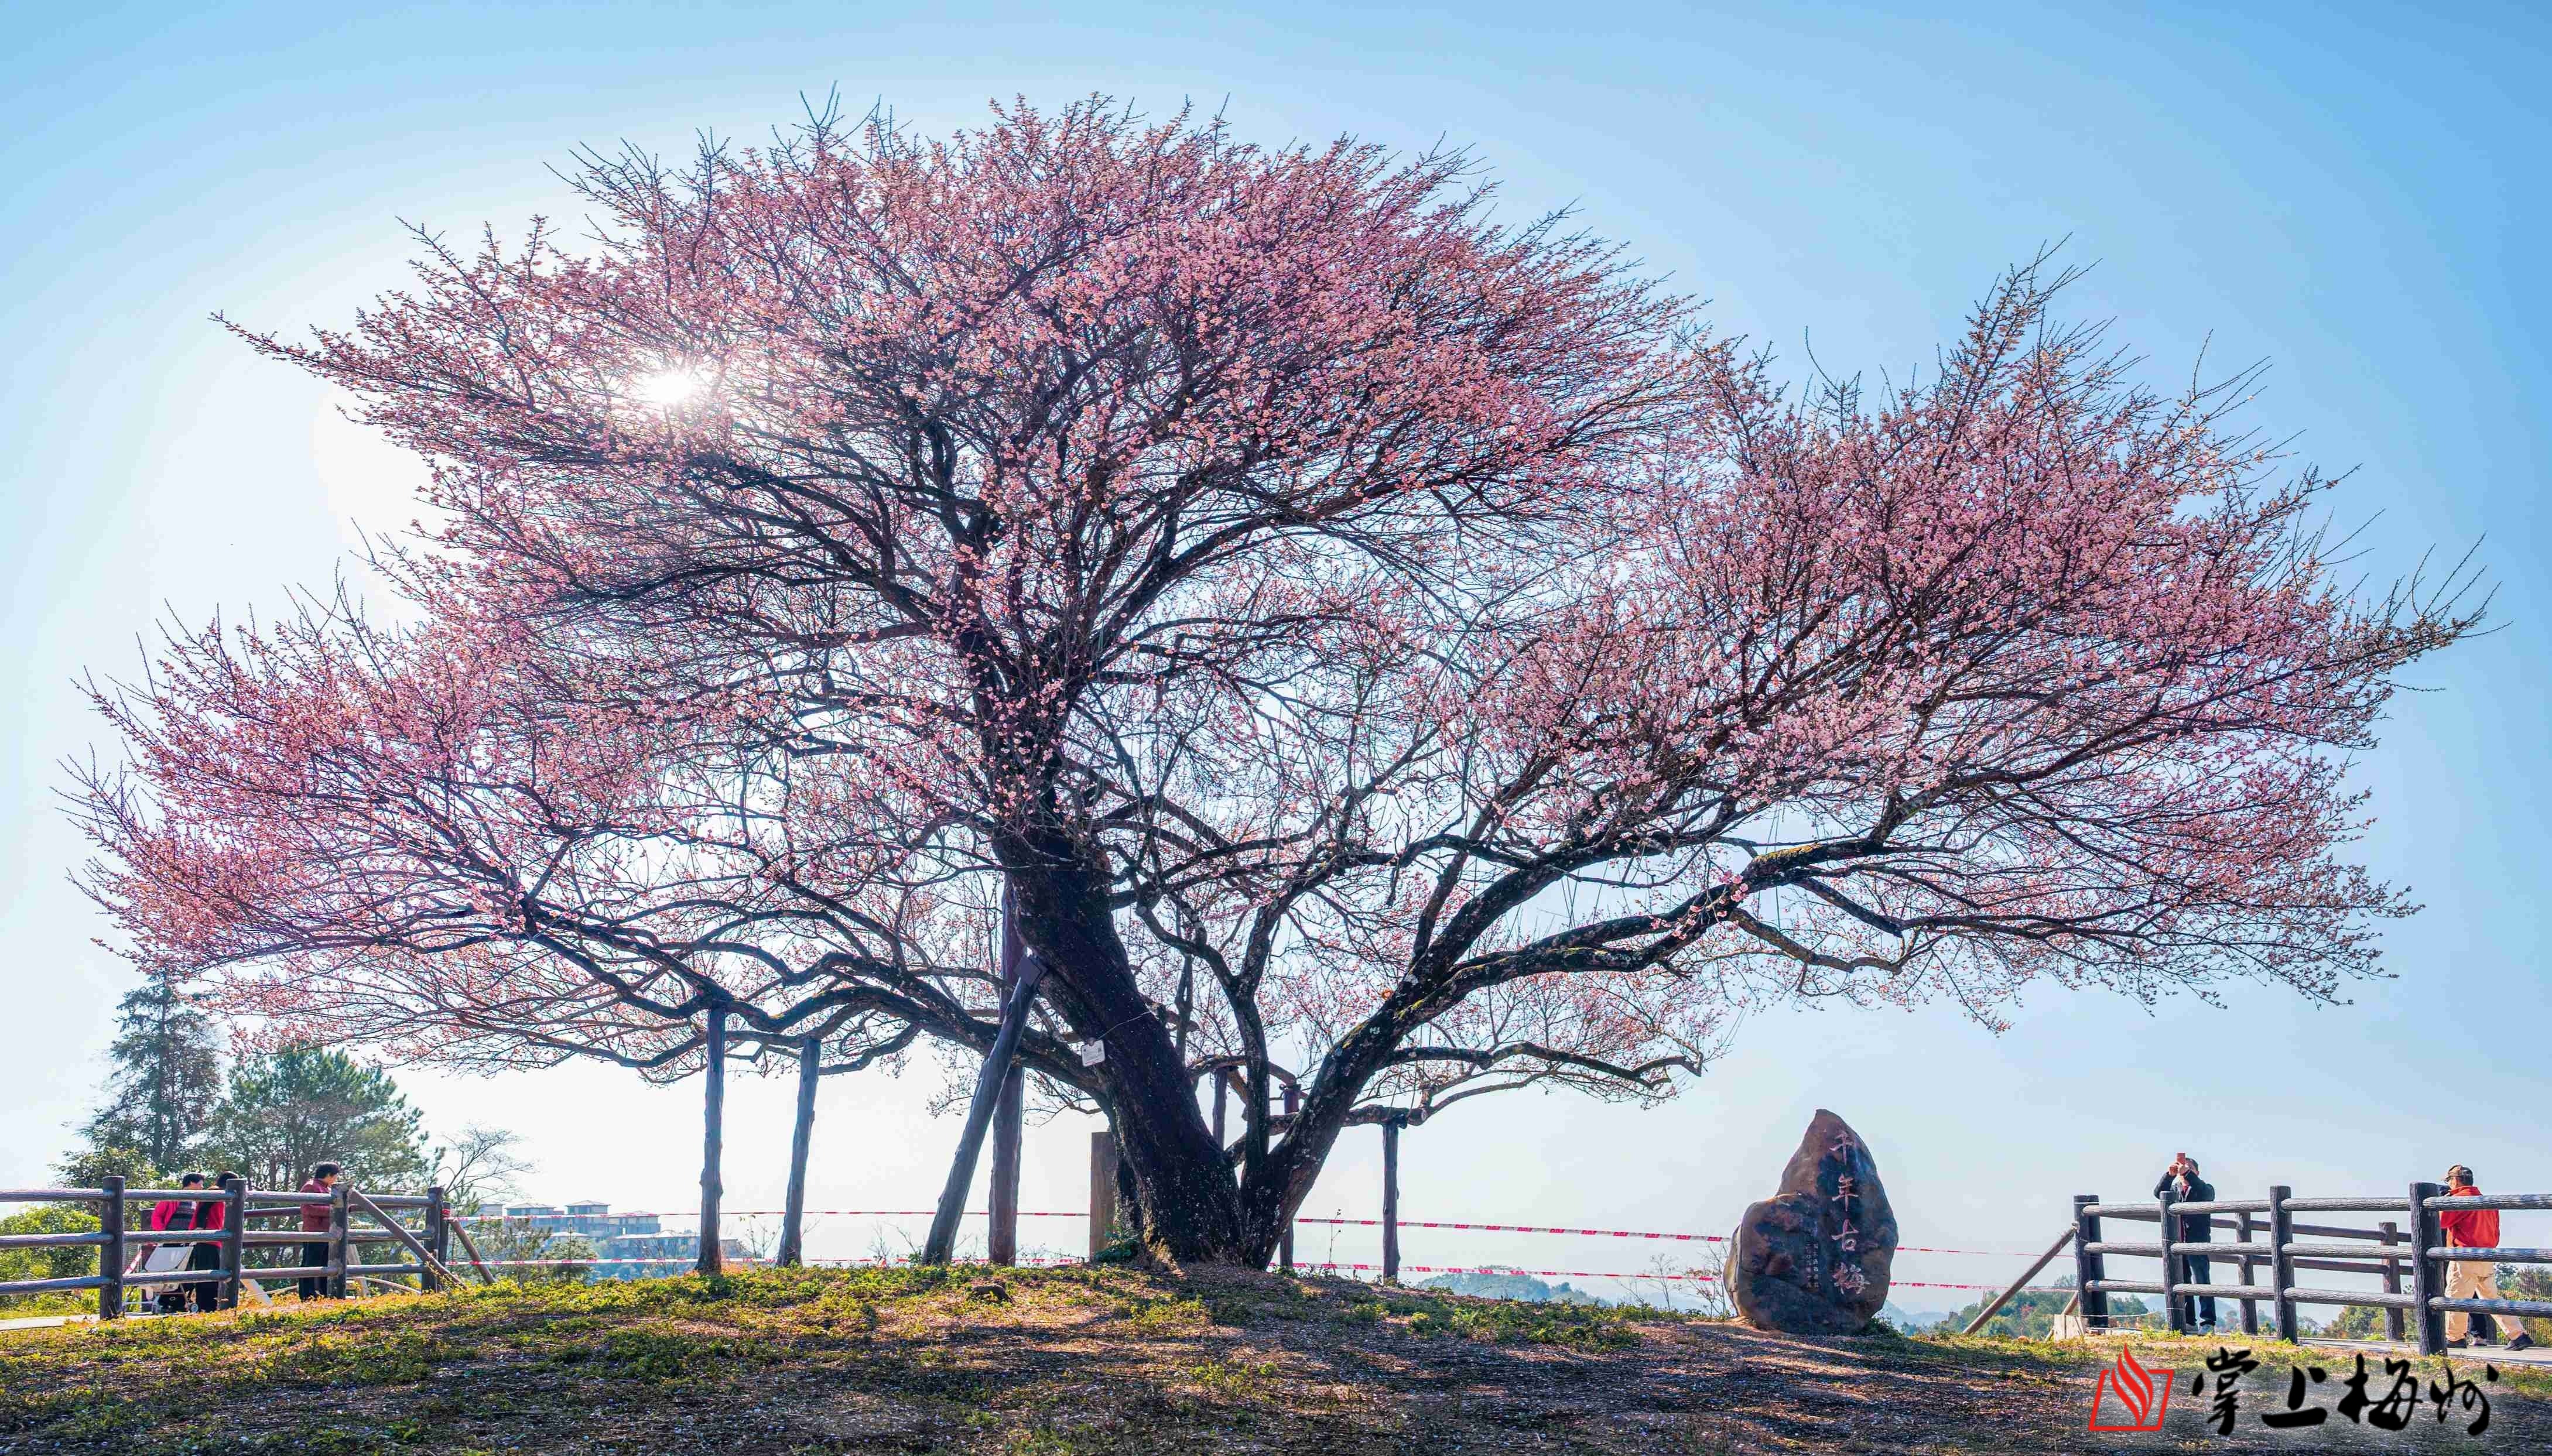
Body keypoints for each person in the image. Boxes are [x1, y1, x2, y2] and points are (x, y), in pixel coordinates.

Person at [2440, 1164, 2534, 1351]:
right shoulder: (2486, 1201)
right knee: (2491, 1299)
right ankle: (2518, 1335)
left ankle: (2455, 1338)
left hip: (2465, 1256)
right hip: (2487, 1255)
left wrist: (2443, 1202)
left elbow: (2442, 1221)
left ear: (2455, 1180)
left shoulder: (2460, 1199)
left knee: (2456, 1298)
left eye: (2448, 1181)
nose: (2449, 1185)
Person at [2154, 1152, 2218, 1331]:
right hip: (2177, 1243)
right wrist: (2169, 1175)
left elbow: (2207, 1195)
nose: (2184, 1171)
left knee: (2202, 1281)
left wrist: (2188, 1174)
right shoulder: (2174, 1190)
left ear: (2196, 1172)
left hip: (2198, 1242)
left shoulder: (2205, 1188)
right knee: (2182, 1282)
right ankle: (2188, 1321)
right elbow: (2158, 1194)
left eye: (2188, 1169)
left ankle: (2208, 1322)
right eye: (2182, 1168)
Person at [139, 1173, 208, 1314]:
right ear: (191, 1183)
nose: (202, 1187)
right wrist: (163, 1233)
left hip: (188, 1242)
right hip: (170, 1241)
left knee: (185, 1269)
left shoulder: (198, 1201)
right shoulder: (173, 1197)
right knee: (168, 1269)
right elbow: (157, 1215)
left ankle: (181, 1301)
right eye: (200, 1184)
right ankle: (167, 1301)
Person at [183, 1171, 234, 1313]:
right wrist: (200, 1230)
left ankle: (210, 1306)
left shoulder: (220, 1193)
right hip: (208, 1238)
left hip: (214, 1238)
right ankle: (206, 1307)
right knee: (208, 1275)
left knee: (213, 1274)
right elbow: (203, 1211)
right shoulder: (215, 1192)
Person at [297, 1162, 342, 1301]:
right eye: (335, 1176)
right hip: (315, 1231)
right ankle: (307, 1295)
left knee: (323, 1264)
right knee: (311, 1263)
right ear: (329, 1175)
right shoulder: (311, 1186)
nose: (336, 1179)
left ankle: (323, 1293)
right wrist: (334, 1211)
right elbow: (307, 1209)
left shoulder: (325, 1188)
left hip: (325, 1232)